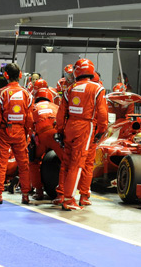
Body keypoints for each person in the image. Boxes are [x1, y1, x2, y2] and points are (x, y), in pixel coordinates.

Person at [56, 59, 108, 210]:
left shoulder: (69, 89)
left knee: (67, 163)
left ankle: (68, 195)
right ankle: (69, 199)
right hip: (86, 127)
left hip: (70, 126)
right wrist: (101, 130)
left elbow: (61, 113)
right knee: (80, 164)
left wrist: (60, 130)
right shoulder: (97, 88)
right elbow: (103, 112)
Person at [0, 63, 33, 205]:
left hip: (5, 131)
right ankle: (25, 195)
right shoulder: (27, 94)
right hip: (20, 132)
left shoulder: (1, 93)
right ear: (20, 75)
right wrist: (26, 133)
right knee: (23, 164)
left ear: (6, 75)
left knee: (1, 163)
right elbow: (30, 118)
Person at [29, 88, 65, 200]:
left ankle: (38, 191)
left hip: (41, 136)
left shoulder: (33, 108)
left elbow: (29, 127)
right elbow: (64, 121)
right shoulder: (55, 107)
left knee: (33, 161)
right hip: (56, 134)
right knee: (66, 163)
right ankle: (62, 194)